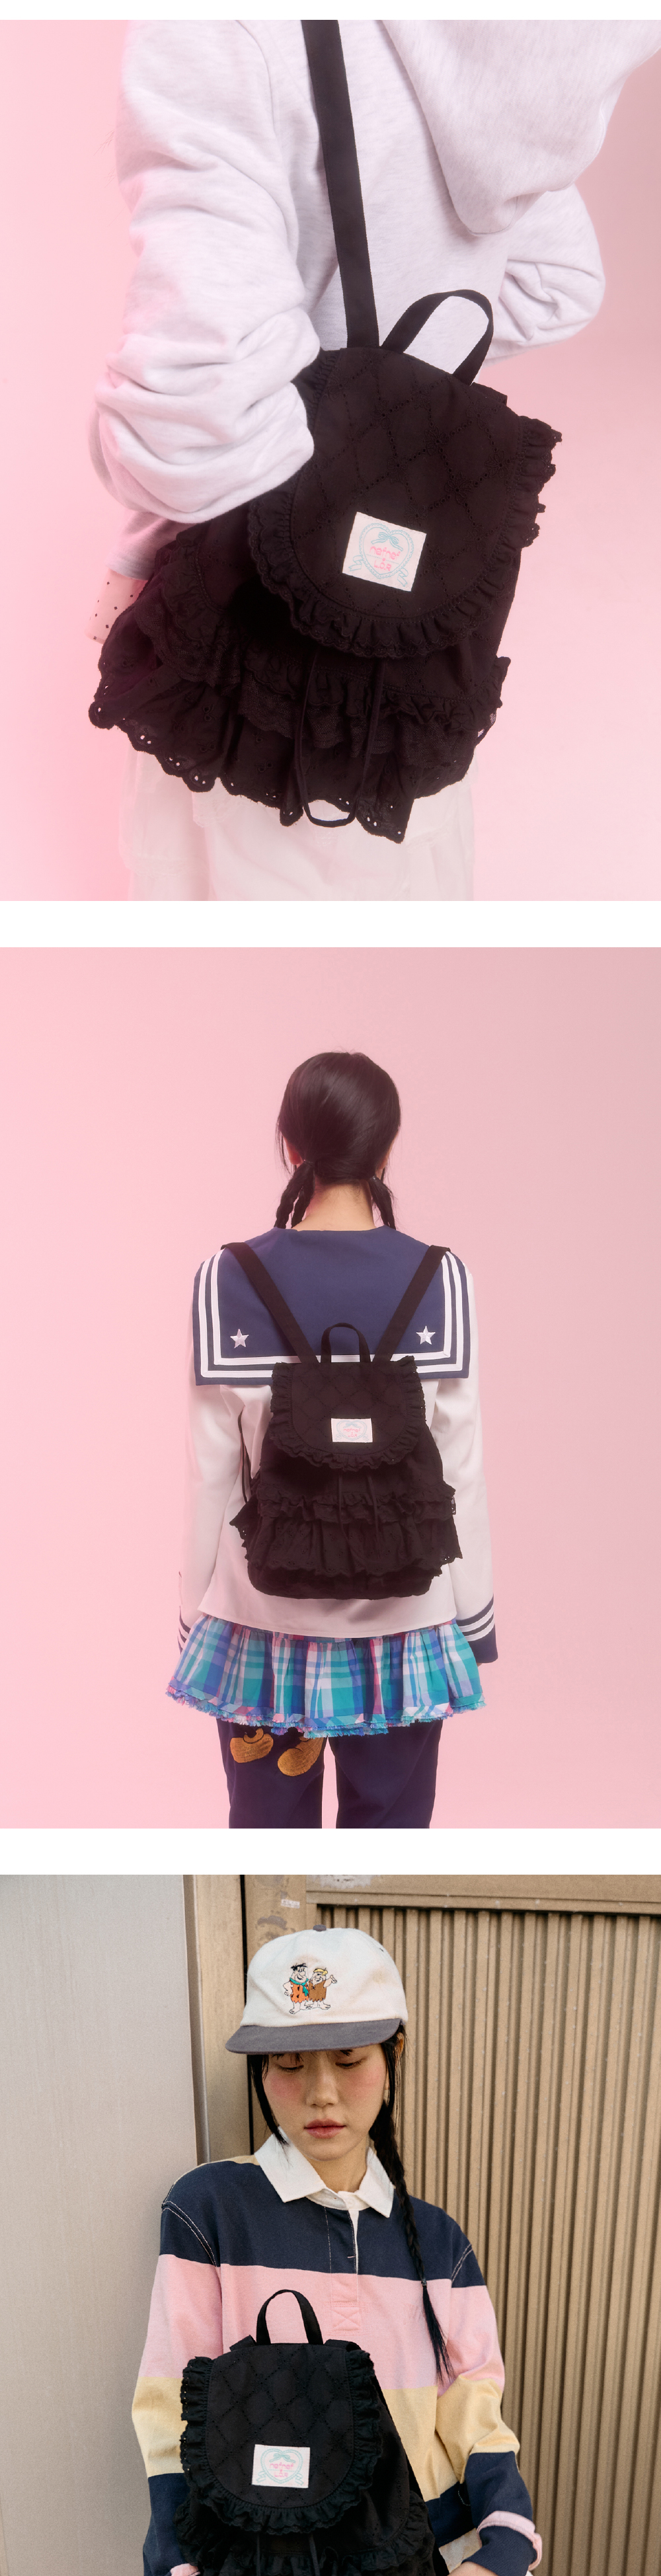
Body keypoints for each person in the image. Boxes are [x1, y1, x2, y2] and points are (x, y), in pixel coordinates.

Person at [88, 20, 659, 904]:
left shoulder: (228, 27)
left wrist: (315, 403)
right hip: (403, 713)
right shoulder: (527, 39)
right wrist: (390, 408)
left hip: (250, 682)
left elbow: (198, 405)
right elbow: (559, 282)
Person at [132, 1925, 563, 2576]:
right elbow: (169, 2412)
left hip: (443, 2574)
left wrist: (502, 2552)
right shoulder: (212, 2210)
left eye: (350, 2058)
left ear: (392, 2056)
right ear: (261, 2071)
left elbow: (475, 2408)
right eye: (289, 2065)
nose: (322, 2092)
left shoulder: (433, 2237)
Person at [172, 1044, 494, 1833]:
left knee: (263, 1839)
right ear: (387, 1150)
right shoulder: (442, 1279)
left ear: (290, 1147)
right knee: (391, 1842)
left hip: (260, 1622)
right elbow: (460, 1468)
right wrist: (474, 1618)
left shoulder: (224, 1279)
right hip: (409, 1621)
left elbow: (210, 1472)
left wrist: (191, 1616)